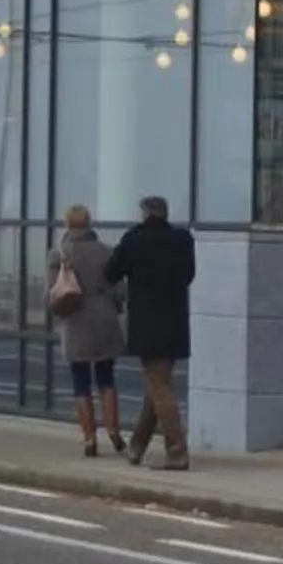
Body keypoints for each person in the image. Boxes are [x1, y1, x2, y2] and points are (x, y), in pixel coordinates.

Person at [104, 193, 196, 471]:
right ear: (165, 213)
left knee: (159, 387)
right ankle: (137, 446)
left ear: (144, 213)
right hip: (175, 321)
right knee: (157, 385)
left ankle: (177, 450)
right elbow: (189, 275)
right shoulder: (182, 240)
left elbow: (111, 272)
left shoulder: (134, 239)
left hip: (147, 323)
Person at [46, 202, 126, 459]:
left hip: (75, 320)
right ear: (90, 223)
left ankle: (90, 439)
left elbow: (51, 293)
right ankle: (114, 432)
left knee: (80, 382)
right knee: (106, 377)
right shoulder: (105, 252)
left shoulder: (58, 255)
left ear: (67, 224)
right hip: (103, 317)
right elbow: (121, 290)